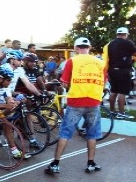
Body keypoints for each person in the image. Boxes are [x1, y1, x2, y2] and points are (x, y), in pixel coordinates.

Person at [45, 37, 107, 174]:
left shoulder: (71, 61)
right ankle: (91, 163)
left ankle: (55, 164)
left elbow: (65, 83)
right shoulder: (101, 63)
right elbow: (103, 84)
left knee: (65, 133)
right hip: (94, 102)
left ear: (76, 48)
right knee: (92, 134)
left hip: (76, 103)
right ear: (89, 47)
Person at [103, 27, 136, 119]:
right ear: (126, 34)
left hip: (112, 70)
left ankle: (111, 111)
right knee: (122, 92)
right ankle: (121, 113)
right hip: (123, 70)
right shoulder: (127, 42)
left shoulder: (110, 44)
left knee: (113, 91)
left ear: (117, 34)